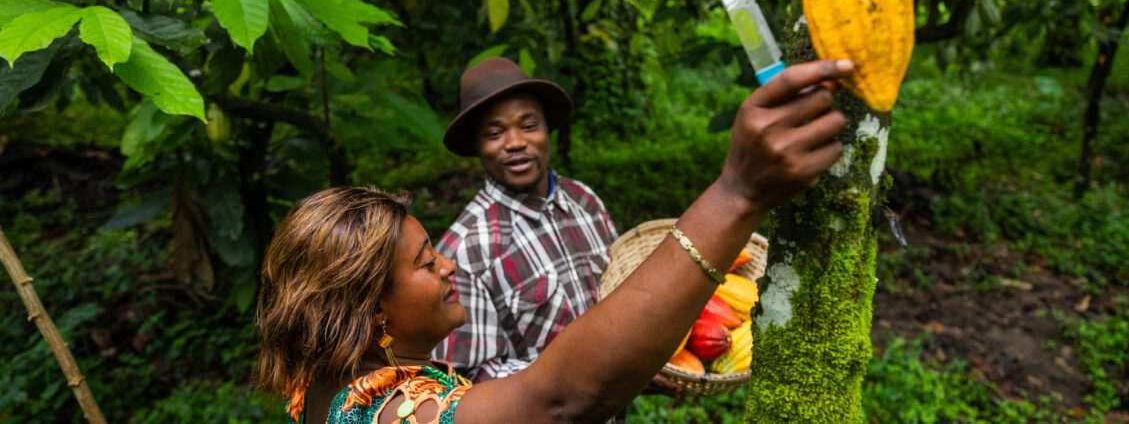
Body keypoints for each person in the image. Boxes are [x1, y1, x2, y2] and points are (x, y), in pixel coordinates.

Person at [255, 59, 854, 424]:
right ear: (369, 307)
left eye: (433, 248)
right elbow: (557, 403)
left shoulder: (352, 379)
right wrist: (738, 193)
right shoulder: (379, 412)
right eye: (424, 261)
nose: (446, 265)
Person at [432, 57, 619, 380]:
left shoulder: (584, 201)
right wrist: (578, 379)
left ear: (547, 130)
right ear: (478, 146)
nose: (516, 143)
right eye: (495, 133)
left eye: (529, 126)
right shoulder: (464, 251)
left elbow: (622, 291)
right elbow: (471, 377)